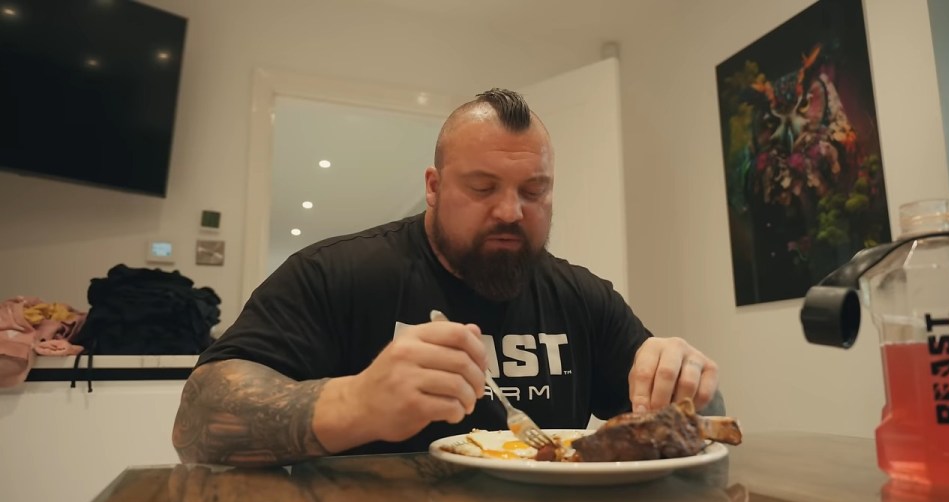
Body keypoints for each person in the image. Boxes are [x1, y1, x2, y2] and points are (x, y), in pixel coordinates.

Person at [172, 88, 722, 467]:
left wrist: (689, 383)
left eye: (534, 191)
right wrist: (356, 403)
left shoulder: (582, 297)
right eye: (483, 188)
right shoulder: (336, 273)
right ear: (433, 186)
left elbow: (700, 424)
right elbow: (197, 419)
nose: (511, 211)